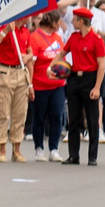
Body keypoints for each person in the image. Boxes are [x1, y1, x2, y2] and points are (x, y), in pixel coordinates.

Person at [61, 4, 105, 166]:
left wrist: (97, 87)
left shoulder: (96, 40)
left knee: (92, 119)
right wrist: (50, 67)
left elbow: (101, 64)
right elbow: (62, 53)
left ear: (81, 21)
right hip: (74, 78)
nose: (72, 22)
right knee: (73, 118)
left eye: (74, 20)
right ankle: (74, 155)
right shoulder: (74, 37)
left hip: (90, 79)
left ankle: (92, 156)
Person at [27, 10, 68, 159]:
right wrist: (30, 84)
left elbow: (61, 57)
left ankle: (54, 149)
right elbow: (31, 63)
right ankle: (39, 148)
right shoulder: (35, 37)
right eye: (58, 22)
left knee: (57, 116)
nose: (60, 25)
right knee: (39, 117)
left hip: (57, 84)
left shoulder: (58, 37)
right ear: (52, 22)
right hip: (40, 84)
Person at [0, 20, 34, 163]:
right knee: (3, 111)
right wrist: (6, 32)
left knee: (20, 113)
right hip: (6, 70)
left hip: (21, 72)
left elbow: (30, 51)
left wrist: (28, 56)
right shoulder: (6, 27)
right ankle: (1, 147)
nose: (29, 18)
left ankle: (17, 148)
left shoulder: (25, 31)